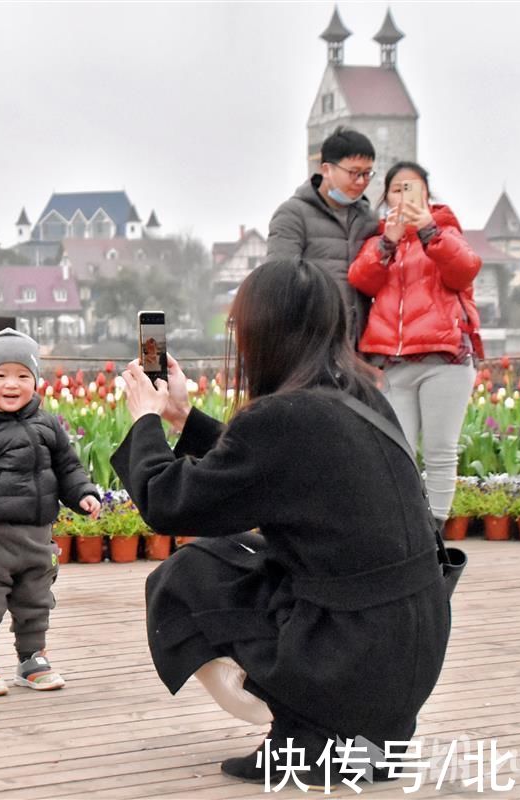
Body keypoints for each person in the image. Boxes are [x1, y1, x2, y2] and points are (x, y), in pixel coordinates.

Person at [111, 260, 450, 787]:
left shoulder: (284, 417)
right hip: (412, 646)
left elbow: (169, 503)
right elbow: (275, 470)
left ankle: (307, 732)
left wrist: (145, 421)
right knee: (246, 552)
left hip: (349, 655)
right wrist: (184, 418)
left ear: (260, 333)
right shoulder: (363, 396)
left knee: (189, 574)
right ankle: (364, 737)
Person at [0, 328, 102, 696]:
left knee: (35, 601)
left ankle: (32, 659)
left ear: (35, 381)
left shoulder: (46, 424)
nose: (11, 384)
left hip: (36, 536)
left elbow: (68, 467)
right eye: (0, 375)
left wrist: (83, 495)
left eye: (22, 375)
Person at [348, 162, 483, 525]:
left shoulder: (446, 230)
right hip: (394, 363)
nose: (404, 195)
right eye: (397, 189)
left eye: (413, 188)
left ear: (426, 193)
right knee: (398, 451)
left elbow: (465, 270)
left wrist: (428, 230)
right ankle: (408, 526)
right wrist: (388, 242)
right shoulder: (379, 238)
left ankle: (436, 528)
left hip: (444, 360)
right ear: (386, 196)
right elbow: (361, 280)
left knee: (440, 449)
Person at [266, 126, 379, 344]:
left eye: (368, 174)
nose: (361, 181)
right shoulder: (293, 214)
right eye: (354, 172)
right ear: (326, 169)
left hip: (358, 342)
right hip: (311, 338)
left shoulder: (369, 219)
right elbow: (279, 279)